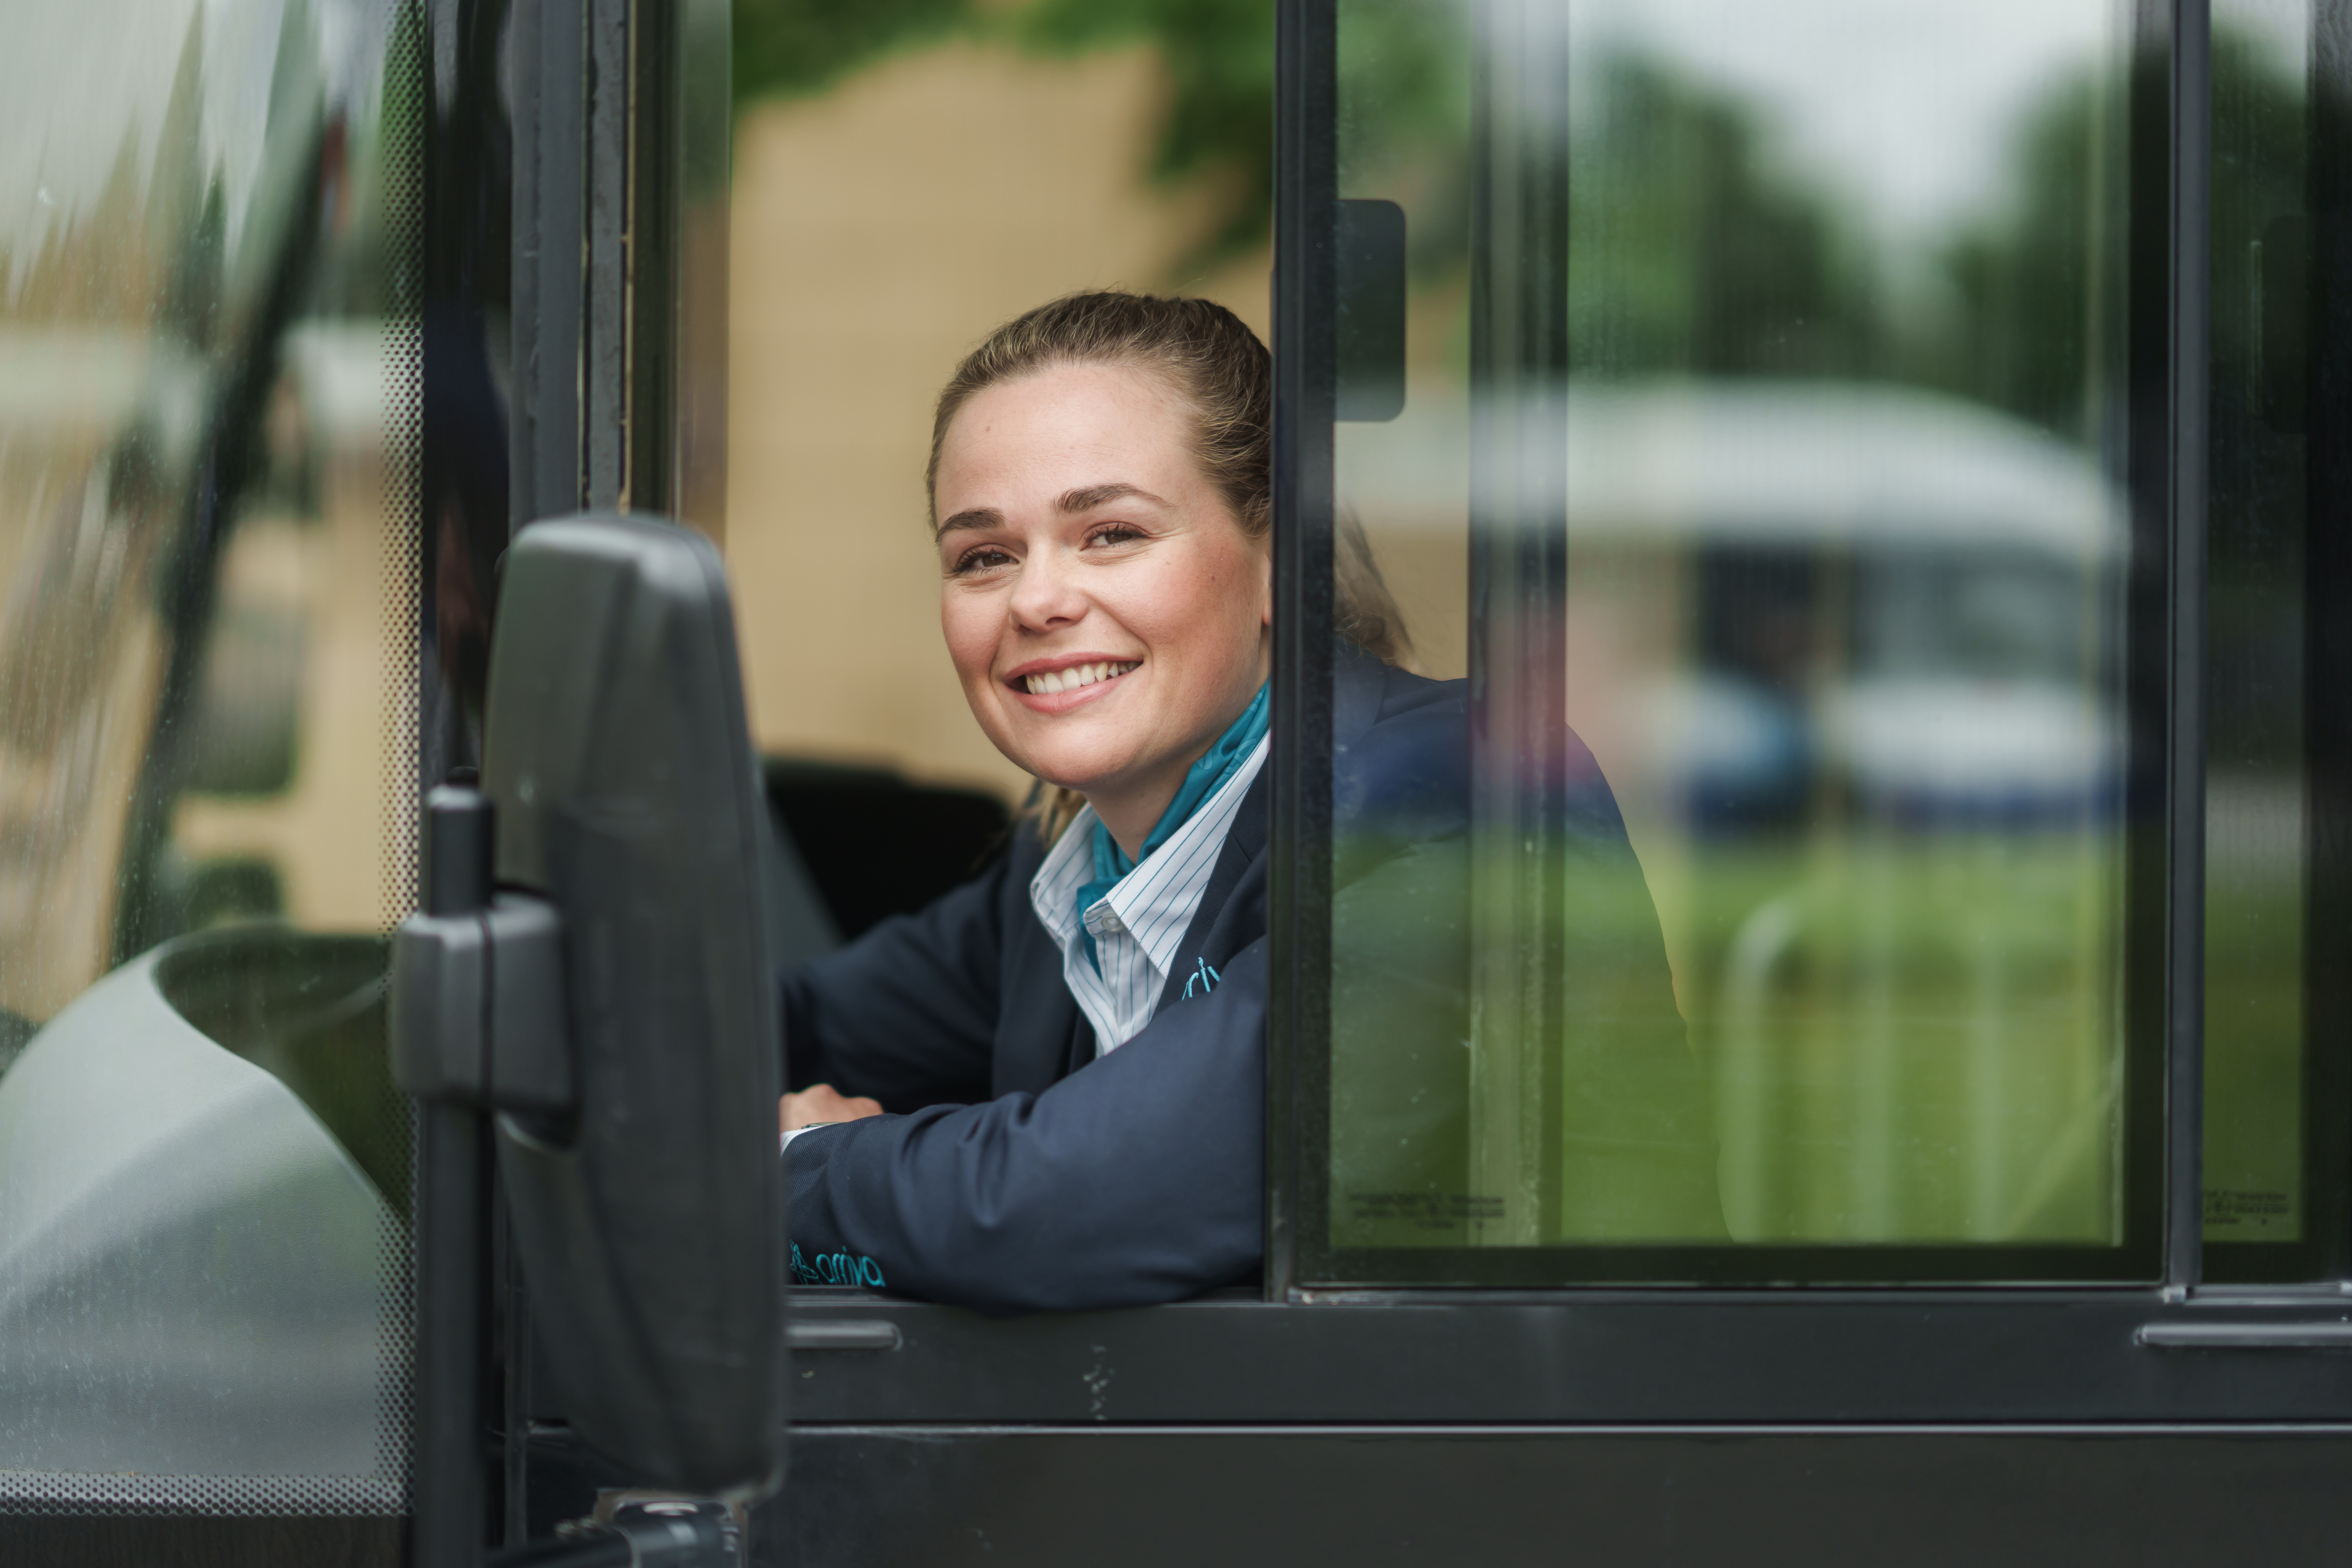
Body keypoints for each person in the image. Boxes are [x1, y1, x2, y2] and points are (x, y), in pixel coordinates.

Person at [776, 292, 1710, 1315]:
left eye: (1112, 533)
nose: (1037, 600)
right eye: (984, 556)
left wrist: (806, 1173)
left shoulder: (1456, 803)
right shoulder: (1070, 870)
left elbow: (1064, 1211)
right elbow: (795, 1030)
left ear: (1279, 567)